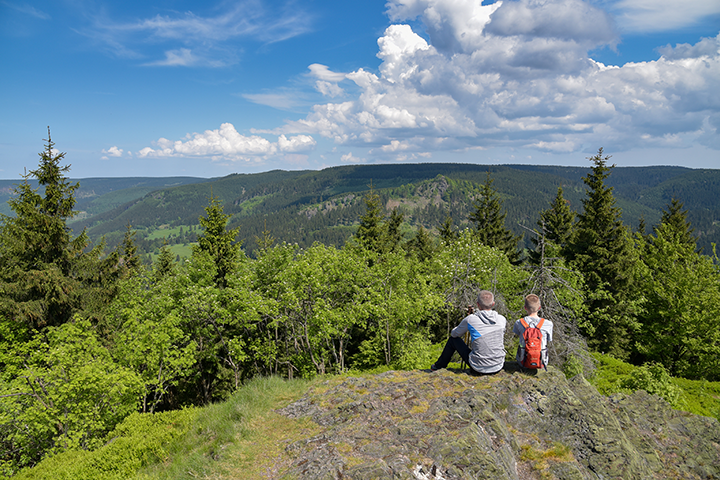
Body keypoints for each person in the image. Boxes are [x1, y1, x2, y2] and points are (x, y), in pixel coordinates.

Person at [431, 290, 507, 374]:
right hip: (498, 365)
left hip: (478, 367)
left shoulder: (471, 319)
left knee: (453, 340)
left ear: (478, 304)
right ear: (493, 304)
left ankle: (438, 366)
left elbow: (454, 334)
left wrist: (464, 323)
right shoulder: (502, 319)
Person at [513, 294, 553, 368]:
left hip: (522, 362)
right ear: (539, 307)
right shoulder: (548, 324)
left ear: (525, 308)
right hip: (542, 362)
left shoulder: (519, 322)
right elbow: (549, 339)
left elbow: (518, 334)